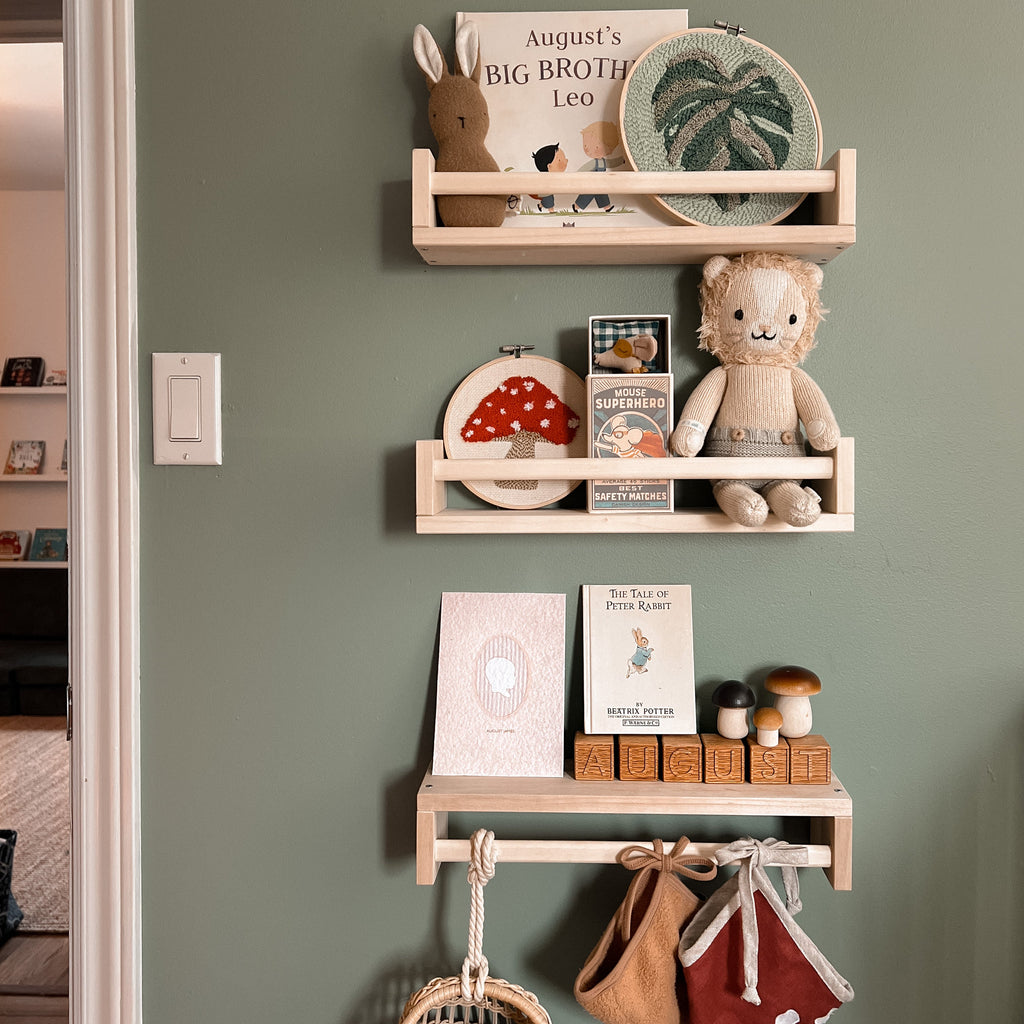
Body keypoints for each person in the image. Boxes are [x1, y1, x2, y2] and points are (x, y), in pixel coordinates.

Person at [573, 121, 625, 212]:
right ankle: (576, 206)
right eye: (585, 146)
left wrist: (621, 160)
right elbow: (584, 169)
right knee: (586, 195)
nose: (588, 150)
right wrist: (577, 176)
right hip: (591, 184)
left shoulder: (604, 162)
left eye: (597, 147)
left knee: (602, 194)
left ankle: (607, 207)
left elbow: (611, 163)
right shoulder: (594, 163)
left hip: (600, 183)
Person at [530, 143, 568, 212]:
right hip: (546, 189)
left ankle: (541, 205)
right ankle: (551, 209)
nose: (566, 160)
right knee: (548, 198)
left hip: (548, 189)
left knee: (548, 198)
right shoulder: (545, 179)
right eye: (559, 160)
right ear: (549, 166)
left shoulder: (554, 177)